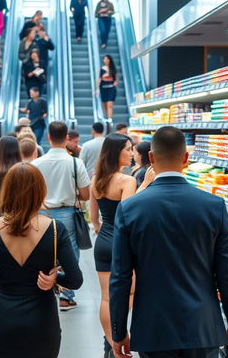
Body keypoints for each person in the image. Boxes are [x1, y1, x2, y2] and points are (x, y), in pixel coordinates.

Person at [110, 127, 228, 358]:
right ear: (186, 158)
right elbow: (226, 274)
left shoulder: (129, 209)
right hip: (202, 328)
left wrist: (118, 331)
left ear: (151, 158)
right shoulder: (214, 206)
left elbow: (120, 277)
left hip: (153, 329)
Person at [0, 163, 83, 358]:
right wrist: (55, 280)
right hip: (42, 321)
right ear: (40, 191)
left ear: (7, 190)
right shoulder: (55, 229)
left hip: (3, 321)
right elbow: (75, 280)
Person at [32, 121, 90, 311]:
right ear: (67, 138)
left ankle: (42, 288)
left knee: (42, 250)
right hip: (67, 213)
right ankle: (66, 296)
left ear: (48, 137)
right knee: (70, 252)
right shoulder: (75, 162)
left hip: (42, 212)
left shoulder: (37, 163)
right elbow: (85, 195)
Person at [89, 134, 137, 354]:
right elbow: (128, 217)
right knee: (129, 293)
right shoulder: (127, 181)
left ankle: (111, 343)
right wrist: (145, 184)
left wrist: (101, 228)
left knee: (106, 297)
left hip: (103, 241)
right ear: (116, 152)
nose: (131, 152)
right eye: (127, 148)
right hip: (122, 243)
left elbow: (93, 218)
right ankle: (123, 339)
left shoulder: (95, 179)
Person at [96, 55, 118, 121]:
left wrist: (115, 82)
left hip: (111, 88)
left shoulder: (113, 69)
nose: (106, 60)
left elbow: (116, 78)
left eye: (107, 59)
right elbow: (99, 79)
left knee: (110, 104)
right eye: (104, 59)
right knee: (105, 104)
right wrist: (97, 89)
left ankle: (109, 119)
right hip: (103, 88)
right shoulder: (102, 69)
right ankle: (107, 117)